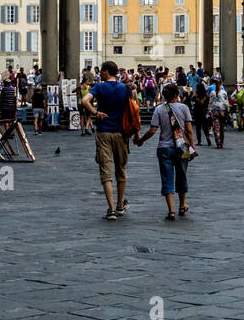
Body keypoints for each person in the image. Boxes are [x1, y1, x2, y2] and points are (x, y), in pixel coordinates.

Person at [135, 83, 195, 220]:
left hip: (164, 147)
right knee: (182, 176)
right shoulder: (184, 108)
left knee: (167, 178)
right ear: (176, 95)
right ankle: (181, 205)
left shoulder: (159, 109)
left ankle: (171, 211)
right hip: (182, 147)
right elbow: (190, 130)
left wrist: (141, 140)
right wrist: (192, 147)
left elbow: (152, 130)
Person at [82, 62, 132, 221]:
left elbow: (85, 100)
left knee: (106, 170)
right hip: (120, 132)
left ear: (106, 72)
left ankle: (111, 209)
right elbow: (132, 109)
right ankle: (119, 205)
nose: (99, 74)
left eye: (101, 71)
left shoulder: (100, 87)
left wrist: (96, 112)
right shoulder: (124, 88)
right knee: (121, 169)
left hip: (103, 131)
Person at [191, 78, 213, 147]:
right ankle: (207, 138)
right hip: (204, 113)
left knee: (198, 128)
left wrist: (194, 93)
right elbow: (207, 104)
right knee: (205, 127)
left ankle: (199, 141)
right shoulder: (206, 97)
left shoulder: (196, 97)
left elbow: (192, 99)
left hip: (197, 113)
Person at [208, 77, 229, 148]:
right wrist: (228, 110)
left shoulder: (212, 92)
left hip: (214, 111)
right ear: (221, 84)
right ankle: (222, 142)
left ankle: (218, 143)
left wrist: (209, 110)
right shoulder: (224, 93)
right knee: (222, 127)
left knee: (216, 128)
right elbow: (226, 103)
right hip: (222, 111)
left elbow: (210, 102)